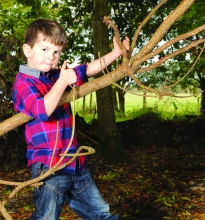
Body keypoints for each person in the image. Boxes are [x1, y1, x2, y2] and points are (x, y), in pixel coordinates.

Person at [12, 18, 129, 220]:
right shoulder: (24, 82)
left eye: (56, 52)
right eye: (45, 49)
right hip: (49, 166)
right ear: (27, 50)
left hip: (75, 162)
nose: (51, 57)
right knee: (46, 217)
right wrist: (64, 81)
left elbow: (86, 70)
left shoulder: (56, 76)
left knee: (101, 213)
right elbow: (42, 110)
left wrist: (116, 53)